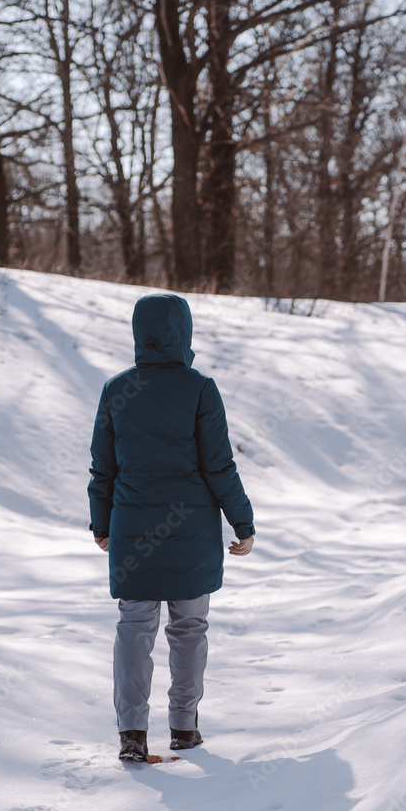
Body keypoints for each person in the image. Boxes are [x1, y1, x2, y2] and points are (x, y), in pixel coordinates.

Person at [87, 293, 254, 762]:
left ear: (139, 332)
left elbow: (104, 468)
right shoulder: (200, 388)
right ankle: (184, 728)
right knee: (190, 628)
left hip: (132, 529)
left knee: (134, 628)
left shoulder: (116, 388)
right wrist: (242, 521)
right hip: (192, 534)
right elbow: (219, 465)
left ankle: (132, 735)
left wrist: (101, 523)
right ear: (185, 331)